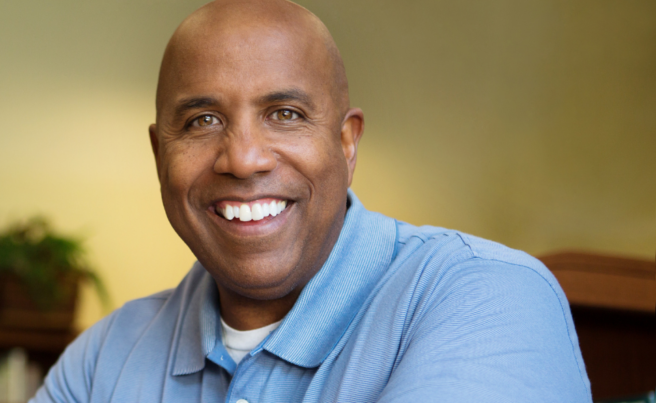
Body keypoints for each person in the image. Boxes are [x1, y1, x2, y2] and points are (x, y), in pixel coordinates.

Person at [32, 0, 591, 401]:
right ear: (160, 155)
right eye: (203, 120)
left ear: (347, 143)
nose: (243, 158)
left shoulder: (488, 293)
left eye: (285, 114)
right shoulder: (103, 357)